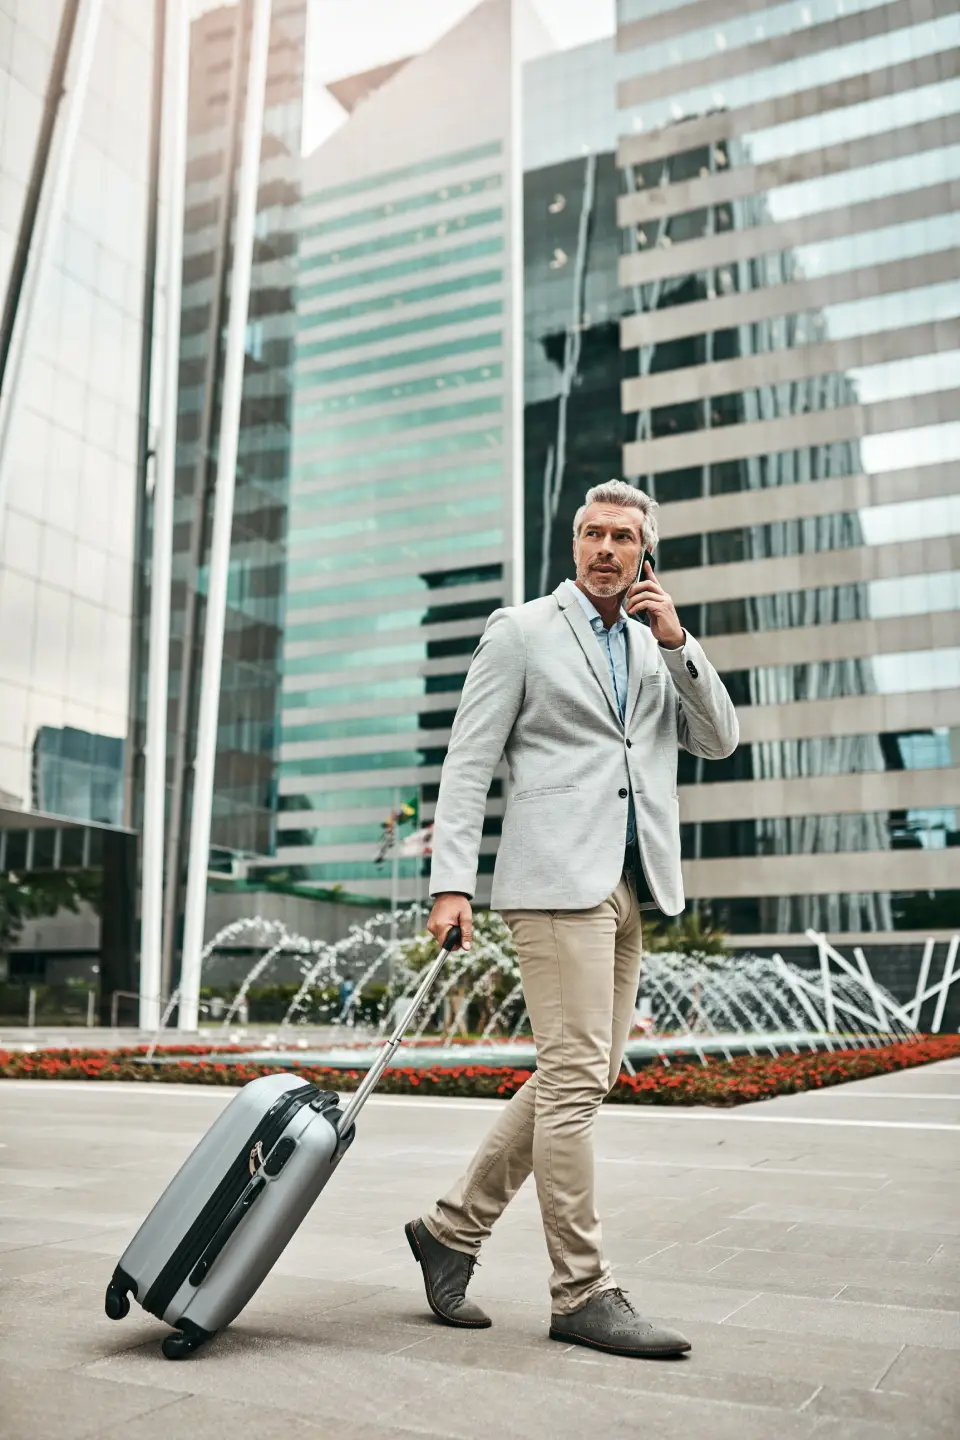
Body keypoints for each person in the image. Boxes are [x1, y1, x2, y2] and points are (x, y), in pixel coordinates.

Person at [404, 479, 739, 1359]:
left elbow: (719, 740)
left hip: (629, 885)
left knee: (576, 1076)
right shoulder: (520, 632)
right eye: (591, 533)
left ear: (644, 554)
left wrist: (678, 644)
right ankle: (582, 1289)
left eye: (621, 538)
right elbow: (467, 764)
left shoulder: (653, 643)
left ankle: (449, 1230)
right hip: (554, 882)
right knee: (578, 1079)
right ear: (575, 542)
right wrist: (452, 887)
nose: (603, 549)